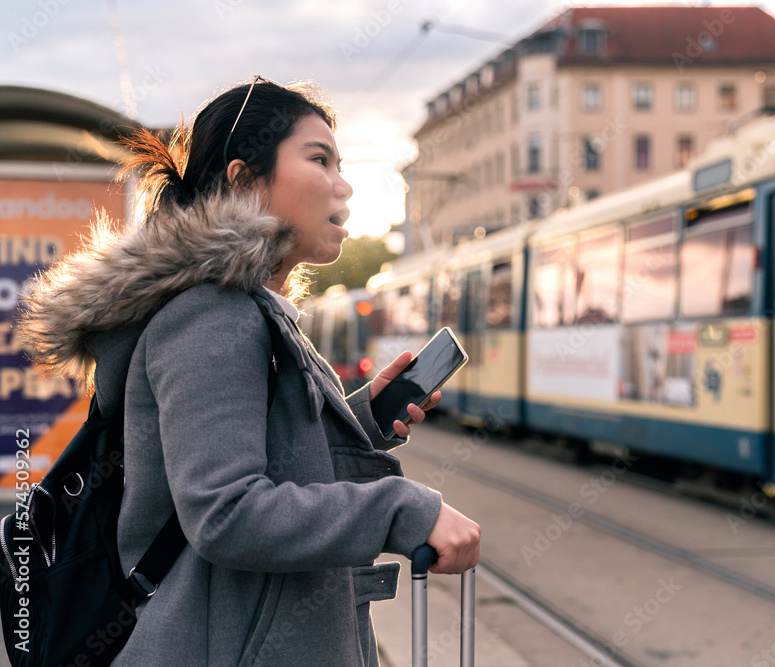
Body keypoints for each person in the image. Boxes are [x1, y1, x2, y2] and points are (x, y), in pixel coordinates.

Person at [17, 76, 480, 666]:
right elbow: (226, 513)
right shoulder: (214, 316)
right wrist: (403, 508)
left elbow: (260, 459)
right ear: (242, 179)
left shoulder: (245, 312)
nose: (344, 184)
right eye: (320, 159)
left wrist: (357, 420)